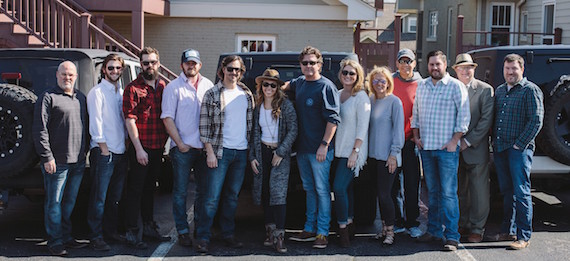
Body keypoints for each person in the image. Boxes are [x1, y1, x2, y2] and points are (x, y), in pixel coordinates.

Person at [196, 55, 255, 253]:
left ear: (241, 72)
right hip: (220, 153)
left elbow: (251, 126)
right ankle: (203, 236)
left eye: (237, 70)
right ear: (223, 69)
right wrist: (210, 153)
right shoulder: (212, 94)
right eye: (230, 69)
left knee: (232, 196)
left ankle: (227, 234)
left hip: (240, 152)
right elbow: (203, 126)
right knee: (211, 197)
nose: (233, 73)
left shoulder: (246, 94)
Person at [412, 50, 470, 251]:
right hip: (427, 148)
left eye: (438, 64)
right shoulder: (423, 86)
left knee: (448, 194)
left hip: (447, 149)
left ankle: (452, 236)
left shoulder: (456, 87)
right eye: (431, 64)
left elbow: (464, 118)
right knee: (432, 192)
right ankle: (434, 231)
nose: (435, 67)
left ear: (445, 65)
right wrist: (417, 136)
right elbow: (416, 114)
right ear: (427, 66)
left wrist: (455, 141)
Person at [33, 61, 89, 256]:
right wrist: (47, 157)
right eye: (64, 74)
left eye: (71, 75)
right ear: (57, 75)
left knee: (69, 203)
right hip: (56, 163)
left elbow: (86, 127)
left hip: (78, 161)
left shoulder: (81, 98)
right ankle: (55, 241)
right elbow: (40, 130)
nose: (68, 78)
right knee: (54, 204)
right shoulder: (48, 98)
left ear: (75, 77)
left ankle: (66, 237)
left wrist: (85, 152)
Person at [287, 46, 340, 249]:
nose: (309, 66)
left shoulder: (326, 87)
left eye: (312, 62)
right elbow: (284, 86)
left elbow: (333, 120)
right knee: (309, 189)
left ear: (320, 64)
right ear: (300, 65)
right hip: (302, 149)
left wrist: (324, 145)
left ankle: (322, 232)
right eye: (305, 63)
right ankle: (309, 228)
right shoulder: (299, 83)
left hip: (320, 150)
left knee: (322, 190)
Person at [161, 49, 214, 247]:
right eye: (187, 63)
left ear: (200, 64)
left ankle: (201, 231)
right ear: (182, 65)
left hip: (204, 149)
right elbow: (167, 117)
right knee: (181, 192)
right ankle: (183, 230)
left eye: (194, 63)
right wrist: (180, 144)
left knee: (203, 192)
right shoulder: (173, 87)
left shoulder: (208, 85)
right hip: (182, 149)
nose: (191, 66)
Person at [492, 53, 543, 250]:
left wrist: (519, 144)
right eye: (507, 69)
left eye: (514, 68)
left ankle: (524, 236)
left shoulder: (530, 90)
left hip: (519, 150)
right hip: (500, 147)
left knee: (521, 192)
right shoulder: (500, 91)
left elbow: (536, 121)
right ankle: (508, 229)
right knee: (507, 191)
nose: (510, 72)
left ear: (522, 69)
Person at [122, 47, 170, 249]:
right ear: (140, 65)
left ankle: (149, 227)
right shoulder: (132, 89)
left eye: (152, 62)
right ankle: (132, 231)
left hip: (158, 146)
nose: (149, 66)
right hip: (140, 147)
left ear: (158, 63)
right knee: (135, 189)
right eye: (145, 63)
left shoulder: (163, 86)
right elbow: (130, 120)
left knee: (150, 189)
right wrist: (139, 149)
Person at [249, 69, 297, 253]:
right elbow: (253, 132)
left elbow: (293, 130)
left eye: (272, 85)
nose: (268, 88)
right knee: (265, 192)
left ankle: (279, 236)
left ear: (278, 87)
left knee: (278, 194)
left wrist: (281, 152)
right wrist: (252, 156)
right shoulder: (258, 105)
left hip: (279, 155)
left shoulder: (285, 106)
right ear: (261, 86)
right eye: (265, 84)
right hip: (262, 153)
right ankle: (269, 231)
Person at [86, 54, 129, 251]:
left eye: (118, 68)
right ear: (104, 69)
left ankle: (110, 233)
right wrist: (103, 149)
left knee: (114, 197)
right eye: (110, 68)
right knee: (99, 197)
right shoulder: (97, 92)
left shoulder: (120, 92)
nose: (114, 71)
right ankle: (95, 236)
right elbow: (96, 123)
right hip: (105, 153)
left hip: (120, 152)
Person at [452, 53, 495, 243]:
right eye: (462, 68)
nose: (466, 71)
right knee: (458, 190)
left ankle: (477, 228)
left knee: (479, 192)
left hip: (475, 149)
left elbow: (486, 121)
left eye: (469, 67)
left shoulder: (485, 90)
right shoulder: (450, 89)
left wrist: (467, 142)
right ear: (455, 70)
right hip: (453, 148)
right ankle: (462, 224)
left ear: (474, 69)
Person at [332, 59, 370, 247]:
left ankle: (343, 229)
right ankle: (350, 222)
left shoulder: (361, 97)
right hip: (337, 150)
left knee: (338, 188)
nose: (348, 76)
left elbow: (363, 128)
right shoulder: (337, 94)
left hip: (352, 151)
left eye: (352, 74)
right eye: (345, 73)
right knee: (346, 189)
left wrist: (355, 152)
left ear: (358, 77)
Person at [368, 66, 405, 246]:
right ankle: (383, 229)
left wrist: (394, 154)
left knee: (385, 195)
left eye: (383, 80)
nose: (379, 84)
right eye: (376, 81)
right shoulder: (371, 100)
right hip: (373, 156)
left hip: (388, 157)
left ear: (388, 82)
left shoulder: (394, 102)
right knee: (378, 195)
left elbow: (399, 131)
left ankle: (391, 231)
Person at [391, 48, 423, 238]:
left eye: (409, 61)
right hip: (392, 142)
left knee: (412, 185)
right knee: (393, 185)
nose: (405, 65)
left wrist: (416, 137)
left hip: (411, 141)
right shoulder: (390, 81)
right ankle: (397, 222)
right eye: (402, 61)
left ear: (414, 63)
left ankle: (412, 222)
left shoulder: (422, 84)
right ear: (397, 64)